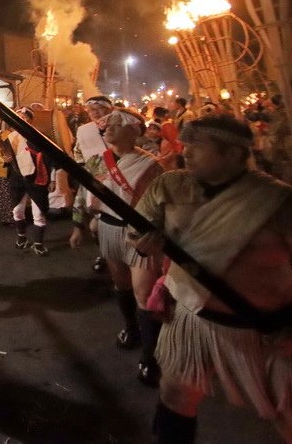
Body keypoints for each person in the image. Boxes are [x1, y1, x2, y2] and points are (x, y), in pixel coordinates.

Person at [132, 115, 292, 442]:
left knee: (284, 411)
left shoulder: (277, 201)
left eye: (196, 147)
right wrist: (144, 244)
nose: (185, 152)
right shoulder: (169, 185)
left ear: (232, 154)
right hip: (191, 319)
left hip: (263, 328)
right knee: (176, 395)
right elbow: (139, 233)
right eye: (185, 145)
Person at [71, 109, 163, 385]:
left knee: (144, 293)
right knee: (121, 285)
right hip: (109, 227)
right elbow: (82, 193)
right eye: (106, 125)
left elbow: (162, 203)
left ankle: (151, 355)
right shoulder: (98, 161)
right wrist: (78, 224)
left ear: (134, 130)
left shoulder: (152, 165)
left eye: (115, 124)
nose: (107, 128)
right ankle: (132, 328)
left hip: (140, 235)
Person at [73, 96, 116, 272]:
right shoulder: (83, 130)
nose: (94, 113)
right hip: (95, 181)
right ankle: (106, 254)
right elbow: (78, 152)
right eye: (91, 110)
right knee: (96, 227)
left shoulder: (119, 128)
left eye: (99, 109)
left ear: (110, 110)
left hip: (121, 179)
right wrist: (83, 169)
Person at [8, 107, 52, 256]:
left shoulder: (39, 136)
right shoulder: (11, 137)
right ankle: (22, 237)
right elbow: (6, 156)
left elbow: (49, 157)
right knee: (17, 210)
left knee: (38, 211)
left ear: (31, 120)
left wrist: (52, 178)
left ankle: (38, 243)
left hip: (37, 176)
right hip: (17, 177)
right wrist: (7, 159)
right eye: (19, 117)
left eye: (25, 117)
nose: (22, 120)